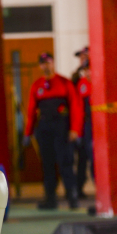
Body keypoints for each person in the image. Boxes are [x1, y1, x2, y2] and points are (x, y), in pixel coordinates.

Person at [23, 52, 82, 209]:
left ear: (53, 63)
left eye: (48, 62)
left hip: (61, 127)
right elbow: (31, 111)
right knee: (48, 164)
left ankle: (72, 197)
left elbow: (75, 107)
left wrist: (75, 129)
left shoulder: (64, 82)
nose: (46, 66)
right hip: (44, 128)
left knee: (65, 162)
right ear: (40, 66)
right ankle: (50, 199)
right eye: (43, 63)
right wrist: (28, 132)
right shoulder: (37, 85)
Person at [71, 47, 93, 199]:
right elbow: (76, 107)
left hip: (95, 123)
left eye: (85, 56)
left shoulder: (96, 77)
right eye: (81, 57)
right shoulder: (78, 80)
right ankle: (78, 188)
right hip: (84, 125)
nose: (82, 59)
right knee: (82, 158)